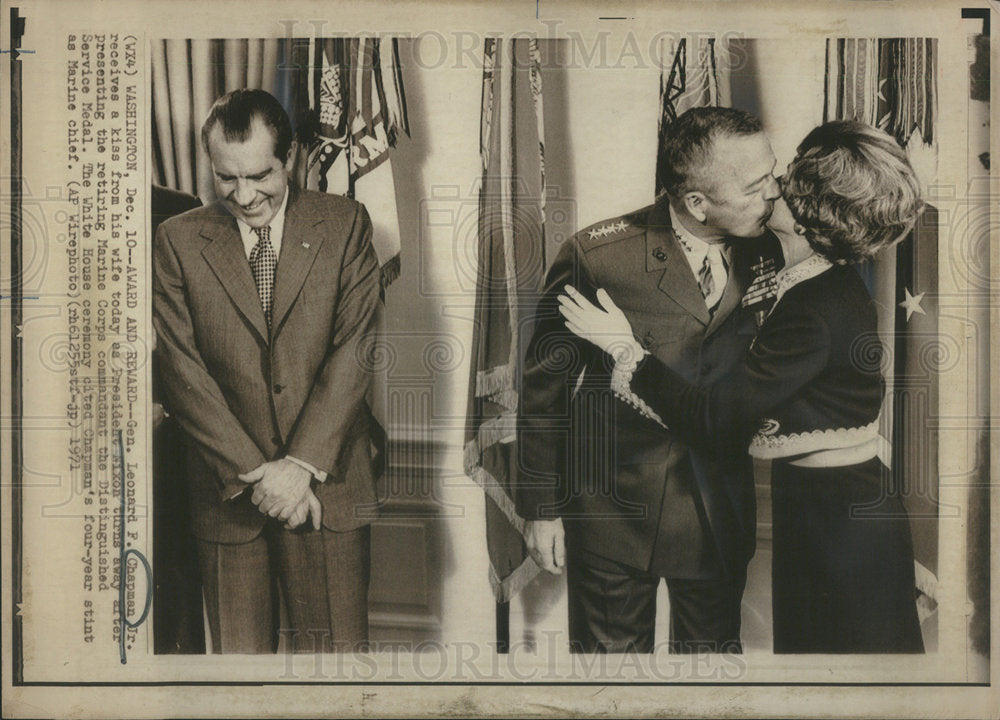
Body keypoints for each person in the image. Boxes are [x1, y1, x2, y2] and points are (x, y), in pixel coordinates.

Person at [558, 120, 926, 654]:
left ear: (808, 216)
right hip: (825, 506)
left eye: (785, 179)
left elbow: (713, 417)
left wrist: (623, 348)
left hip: (837, 520)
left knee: (840, 674)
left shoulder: (814, 306)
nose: (774, 186)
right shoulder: (811, 279)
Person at [516, 107, 783, 653]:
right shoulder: (600, 256)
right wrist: (541, 509)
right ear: (697, 203)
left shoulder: (772, 248)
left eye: (772, 175)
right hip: (613, 512)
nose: (774, 193)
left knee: (711, 677)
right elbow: (544, 390)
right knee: (611, 682)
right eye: (755, 186)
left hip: (717, 510)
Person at [153, 89, 381, 653]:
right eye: (226, 178)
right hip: (228, 499)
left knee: (334, 678)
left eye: (260, 175)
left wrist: (299, 467)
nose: (244, 195)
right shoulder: (177, 240)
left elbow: (355, 349)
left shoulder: (346, 224)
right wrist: (259, 477)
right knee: (241, 682)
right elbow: (182, 372)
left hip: (327, 490)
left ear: (292, 157)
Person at [151, 184, 206, 654]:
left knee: (175, 605)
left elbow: (207, 339)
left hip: (168, 445)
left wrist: (163, 405)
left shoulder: (177, 211)